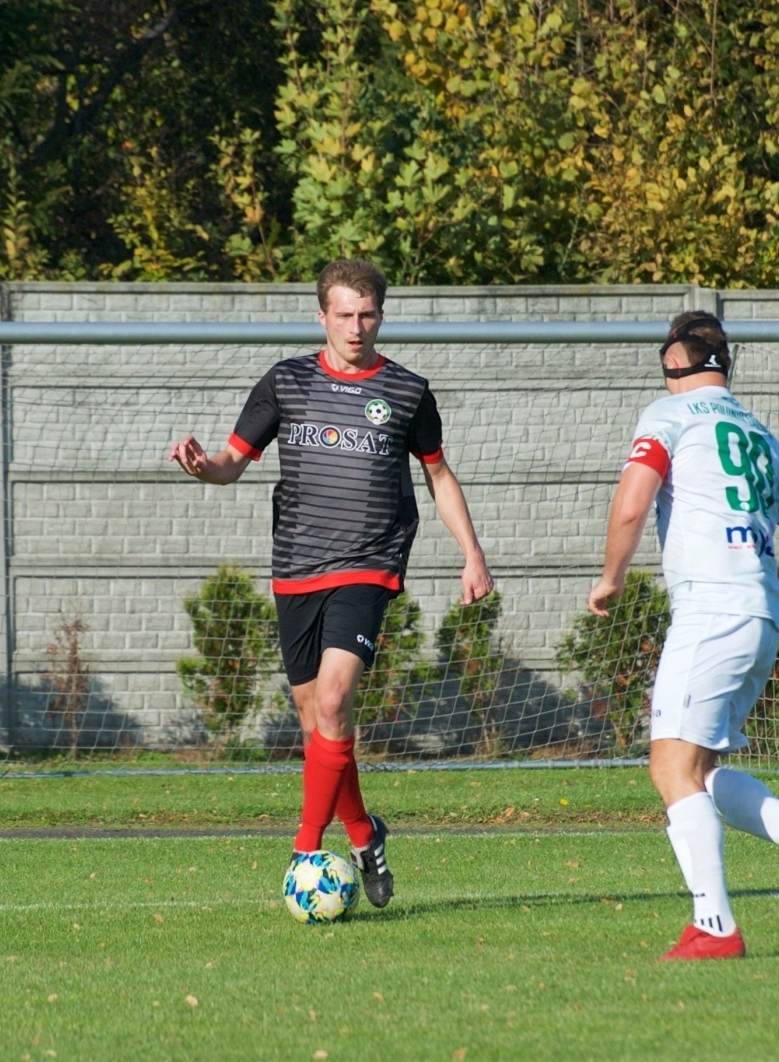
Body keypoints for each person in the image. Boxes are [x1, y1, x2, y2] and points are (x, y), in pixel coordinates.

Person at [168, 258, 494, 908]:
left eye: (367, 314)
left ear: (382, 315)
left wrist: (472, 554)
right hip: (295, 569)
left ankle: (304, 850)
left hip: (368, 566)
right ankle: (364, 833)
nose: (356, 326)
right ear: (321, 316)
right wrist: (203, 467)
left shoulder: (406, 392)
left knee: (337, 700)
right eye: (343, 314)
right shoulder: (286, 382)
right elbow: (233, 462)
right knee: (319, 719)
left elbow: (437, 475)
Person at [586, 310, 779, 960]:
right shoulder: (757, 431)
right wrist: (768, 604)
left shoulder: (668, 416)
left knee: (670, 766)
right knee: (701, 769)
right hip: (758, 612)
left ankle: (714, 926)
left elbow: (632, 501)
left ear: (674, 365)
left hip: (710, 611)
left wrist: (610, 579)